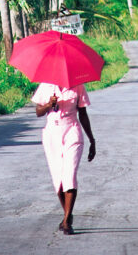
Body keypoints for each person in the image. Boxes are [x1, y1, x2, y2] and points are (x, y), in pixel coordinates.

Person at [32, 81, 96, 235]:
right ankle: (68, 213)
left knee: (70, 175)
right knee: (58, 179)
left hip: (72, 131)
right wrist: (49, 104)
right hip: (52, 133)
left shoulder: (78, 86)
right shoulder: (46, 86)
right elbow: (38, 112)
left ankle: (67, 221)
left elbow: (83, 114)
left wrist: (92, 140)